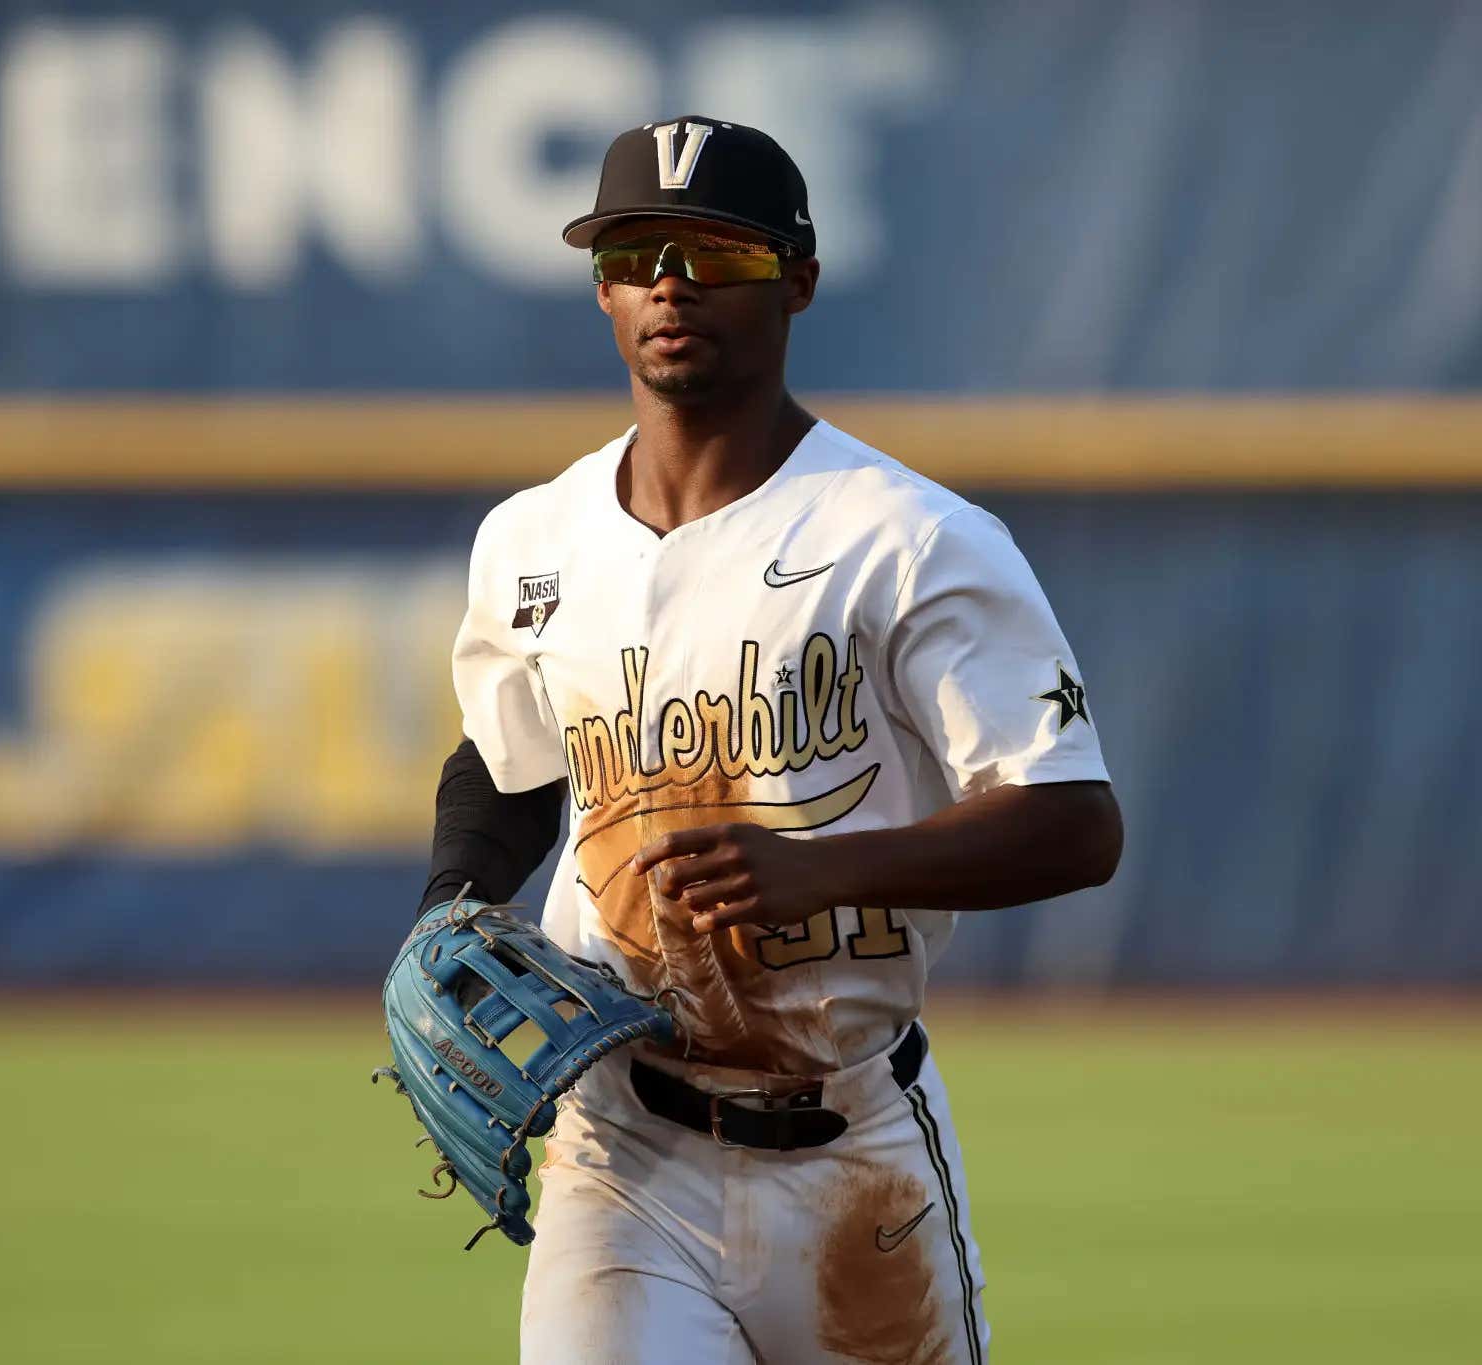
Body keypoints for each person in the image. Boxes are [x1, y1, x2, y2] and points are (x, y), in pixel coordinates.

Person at [421, 115, 1123, 1365]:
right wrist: (452, 906)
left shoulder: (910, 538)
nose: (671, 286)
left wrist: (823, 866)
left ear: (797, 279)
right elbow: (509, 755)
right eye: (638, 252)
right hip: (618, 1146)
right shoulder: (532, 541)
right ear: (600, 286)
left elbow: (1073, 820)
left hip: (852, 1152)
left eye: (719, 255)